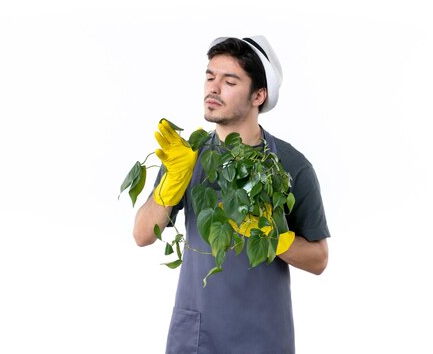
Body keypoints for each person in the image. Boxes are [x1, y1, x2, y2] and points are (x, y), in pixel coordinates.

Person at [133, 35, 331, 354]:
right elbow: (142, 235)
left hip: (264, 336)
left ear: (259, 95)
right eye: (210, 77)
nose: (213, 88)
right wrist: (172, 183)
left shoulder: (291, 165)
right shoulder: (187, 156)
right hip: (196, 336)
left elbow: (319, 259)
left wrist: (273, 237)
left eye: (230, 81)